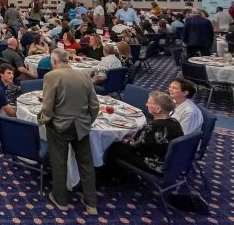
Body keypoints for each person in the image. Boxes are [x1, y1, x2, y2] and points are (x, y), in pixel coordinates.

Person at [39, 48, 99, 215]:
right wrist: (88, 122)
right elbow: (94, 105)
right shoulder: (84, 76)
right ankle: (91, 203)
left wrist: (44, 121)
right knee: (86, 164)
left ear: (54, 61)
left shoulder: (51, 76)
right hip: (82, 126)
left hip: (59, 126)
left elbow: (47, 106)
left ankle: (61, 199)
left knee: (59, 161)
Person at [105, 91, 184, 175]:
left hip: (155, 164)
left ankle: (111, 177)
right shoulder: (175, 121)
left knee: (114, 146)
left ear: (158, 109)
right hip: (171, 162)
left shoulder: (153, 126)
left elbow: (136, 147)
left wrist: (124, 140)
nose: (146, 104)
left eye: (149, 103)